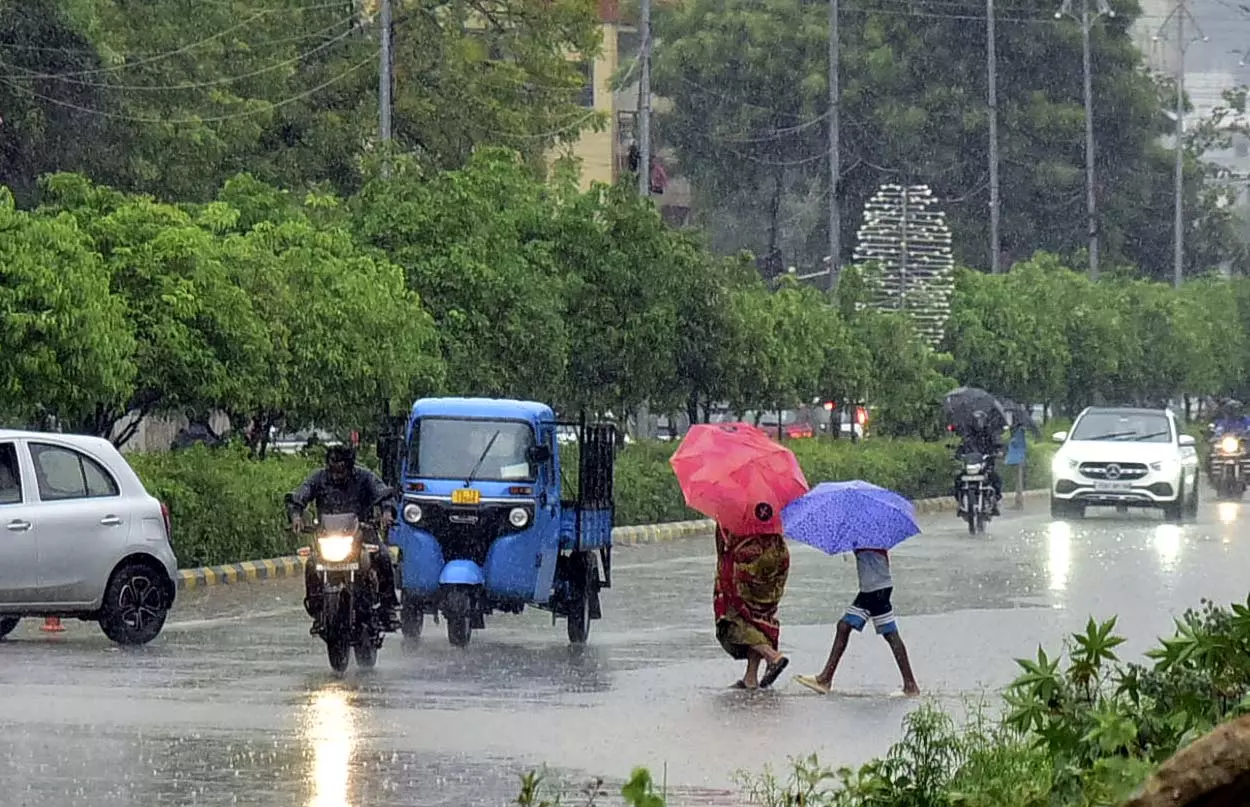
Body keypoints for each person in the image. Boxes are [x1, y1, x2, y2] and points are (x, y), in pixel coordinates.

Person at [288, 445, 400, 632]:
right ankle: (318, 611)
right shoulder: (318, 478)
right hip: (327, 536)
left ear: (350, 466)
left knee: (383, 557)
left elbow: (383, 493)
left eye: (341, 470)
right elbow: (300, 494)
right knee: (311, 565)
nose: (337, 475)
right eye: (333, 469)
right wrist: (296, 516)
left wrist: (386, 512)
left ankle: (388, 609)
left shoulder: (365, 477)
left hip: (362, 533)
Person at [794, 548, 919, 697]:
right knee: (851, 628)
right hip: (876, 588)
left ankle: (825, 678)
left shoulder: (869, 540)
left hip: (874, 590)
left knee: (850, 627)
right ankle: (910, 684)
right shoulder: (869, 539)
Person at [714, 503, 791, 690]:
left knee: (734, 618)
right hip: (775, 560)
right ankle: (751, 678)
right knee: (759, 619)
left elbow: (723, 543)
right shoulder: (774, 501)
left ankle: (772, 656)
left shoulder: (732, 502)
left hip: (747, 563)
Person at [953, 410, 1003, 516]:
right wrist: (958, 454)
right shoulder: (968, 435)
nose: (978, 423)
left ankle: (996, 501)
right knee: (958, 479)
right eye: (976, 420)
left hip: (985, 465)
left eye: (980, 420)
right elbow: (962, 446)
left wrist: (997, 452)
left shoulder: (989, 434)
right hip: (970, 466)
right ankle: (959, 502)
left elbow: (996, 444)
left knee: (996, 479)